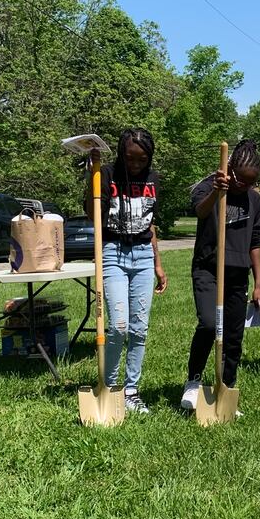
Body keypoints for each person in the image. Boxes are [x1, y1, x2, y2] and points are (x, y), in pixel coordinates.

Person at [85, 128, 168, 414]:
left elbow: (150, 224)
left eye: (141, 159)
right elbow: (91, 212)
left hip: (143, 254)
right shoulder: (106, 174)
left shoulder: (153, 180)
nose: (135, 164)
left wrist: (157, 263)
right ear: (122, 154)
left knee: (139, 328)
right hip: (112, 253)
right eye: (130, 158)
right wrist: (91, 176)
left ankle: (131, 390)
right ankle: (109, 387)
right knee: (118, 325)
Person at [181, 140, 260, 411]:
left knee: (233, 336)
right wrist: (217, 193)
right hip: (208, 268)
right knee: (208, 324)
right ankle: (193, 381)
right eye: (241, 181)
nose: (245, 187)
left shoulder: (254, 199)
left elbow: (254, 241)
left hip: (237, 275)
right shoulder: (209, 186)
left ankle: (225, 387)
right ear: (229, 168)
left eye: (251, 183)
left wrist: (258, 282)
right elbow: (200, 212)